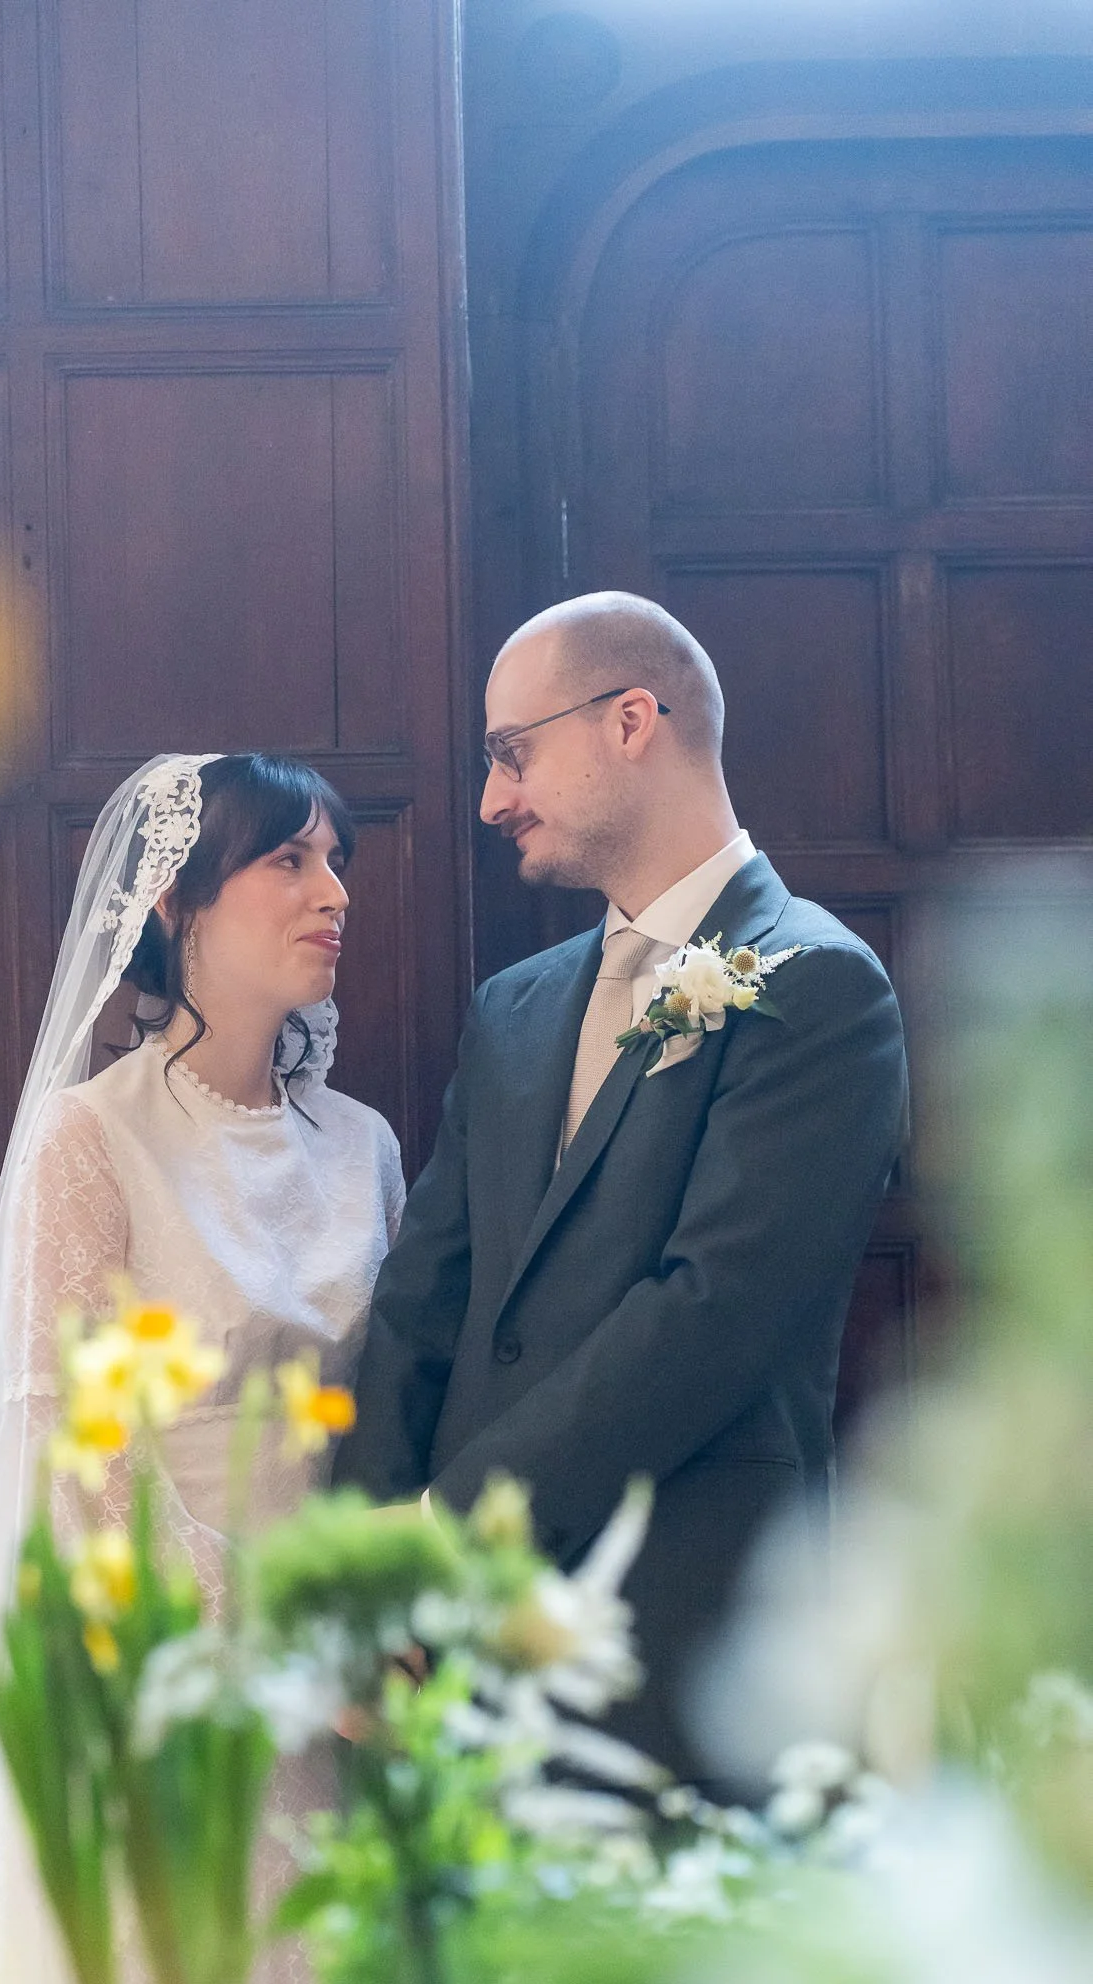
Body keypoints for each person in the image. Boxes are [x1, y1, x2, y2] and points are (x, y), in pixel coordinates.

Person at [0, 753, 404, 1984]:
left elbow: (396, 1423)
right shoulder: (88, 1139)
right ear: (178, 905)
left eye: (338, 860)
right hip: (163, 1662)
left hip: (347, 1679)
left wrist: (364, 1627)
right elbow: (79, 1456)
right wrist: (252, 1645)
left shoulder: (365, 1146)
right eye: (289, 861)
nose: (333, 893)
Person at [336, 592, 908, 1778]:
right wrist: (370, 1580)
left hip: (677, 1635)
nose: (492, 799)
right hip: (457, 1660)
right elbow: (424, 1295)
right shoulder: (515, 1006)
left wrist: (453, 1530)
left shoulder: (818, 985)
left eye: (512, 753)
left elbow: (712, 1314)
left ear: (632, 721)